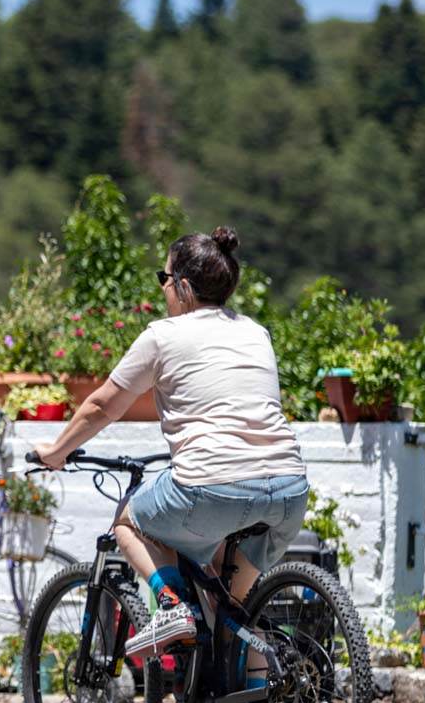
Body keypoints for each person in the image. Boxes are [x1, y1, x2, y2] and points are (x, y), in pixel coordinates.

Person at [32, 226, 308, 655]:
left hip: (211, 485)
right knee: (231, 609)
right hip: (289, 490)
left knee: (128, 520)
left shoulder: (162, 335)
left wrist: (55, 451)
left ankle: (170, 605)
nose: (162, 291)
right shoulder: (255, 332)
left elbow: (104, 405)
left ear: (181, 286)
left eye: (163, 280)